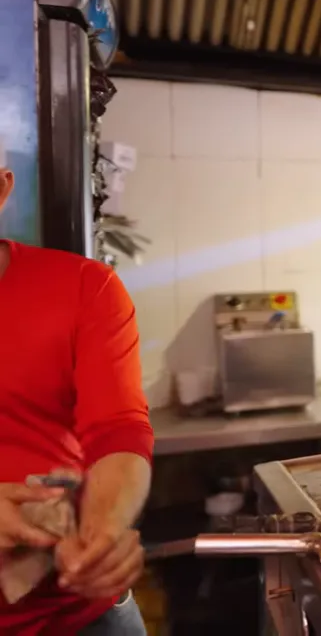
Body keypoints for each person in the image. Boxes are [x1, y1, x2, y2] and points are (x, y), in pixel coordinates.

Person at [0, 160, 153, 633]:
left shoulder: (85, 287)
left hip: (80, 617)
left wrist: (102, 532)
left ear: (0, 187)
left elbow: (118, 429)